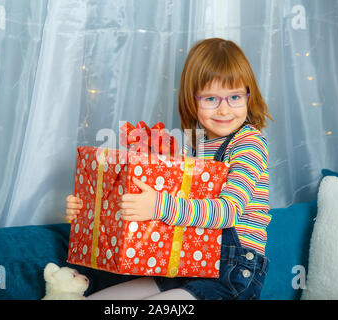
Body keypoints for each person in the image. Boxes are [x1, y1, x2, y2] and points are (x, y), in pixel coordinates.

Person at [66, 38, 273, 300]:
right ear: (192, 100)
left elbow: (227, 212)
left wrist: (157, 206)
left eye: (234, 97)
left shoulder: (248, 143)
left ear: (248, 96)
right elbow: (150, 205)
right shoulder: (194, 148)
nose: (224, 109)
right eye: (211, 98)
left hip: (232, 275)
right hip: (185, 265)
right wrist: (89, 208)